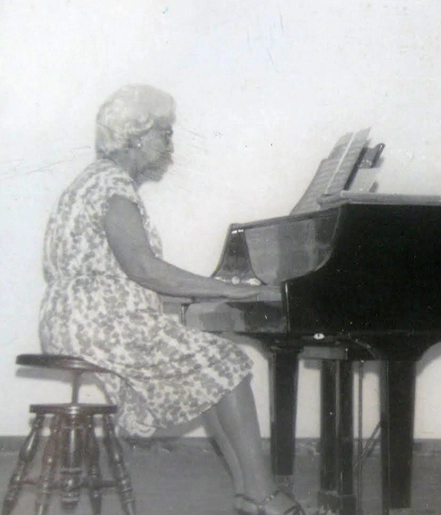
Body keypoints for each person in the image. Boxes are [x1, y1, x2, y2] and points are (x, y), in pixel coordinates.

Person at [38, 84, 305, 515]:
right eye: (165, 133)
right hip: (95, 324)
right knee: (227, 365)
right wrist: (230, 289)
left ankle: (249, 494)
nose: (170, 145)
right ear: (138, 136)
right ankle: (260, 494)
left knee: (213, 366)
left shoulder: (95, 181)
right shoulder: (112, 187)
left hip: (78, 320)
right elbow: (144, 269)